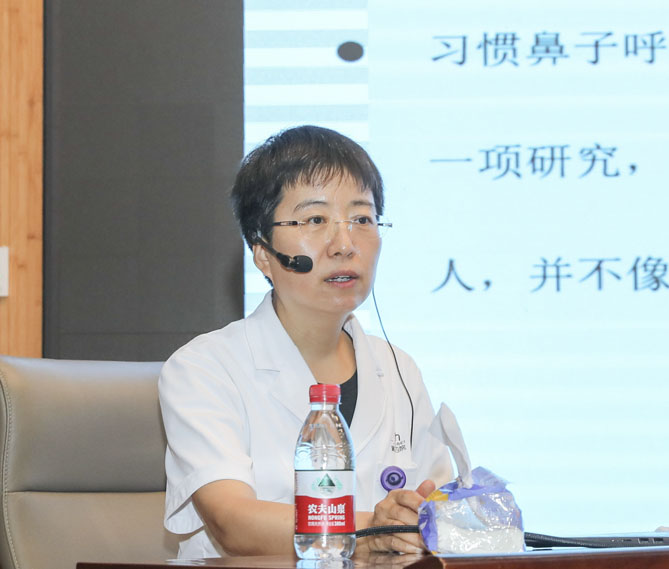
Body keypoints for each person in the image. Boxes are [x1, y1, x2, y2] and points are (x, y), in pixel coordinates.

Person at [158, 125, 453, 559]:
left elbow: (440, 507)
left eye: (362, 219)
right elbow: (232, 522)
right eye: (315, 220)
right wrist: (374, 529)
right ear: (263, 252)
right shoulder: (204, 368)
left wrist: (434, 515)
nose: (345, 245)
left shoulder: (398, 368)